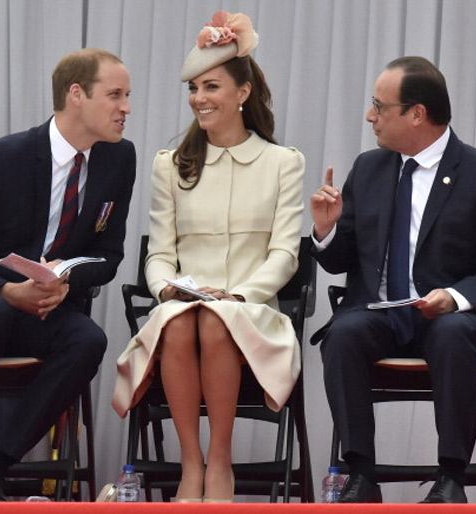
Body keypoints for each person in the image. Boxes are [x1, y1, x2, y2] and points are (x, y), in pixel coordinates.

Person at [310, 56, 476, 504]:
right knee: (344, 333)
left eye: (378, 105)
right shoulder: (369, 168)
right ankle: (360, 475)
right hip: (381, 316)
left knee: (451, 333)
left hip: (453, 321)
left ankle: (451, 478)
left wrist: (455, 296)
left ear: (417, 114)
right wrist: (326, 231)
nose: (370, 115)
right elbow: (339, 260)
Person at [0, 48, 135, 502]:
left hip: (40, 305)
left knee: (87, 340)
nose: (126, 108)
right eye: (115, 95)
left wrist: (66, 278)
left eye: (127, 95)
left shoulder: (119, 159)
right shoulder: (3, 157)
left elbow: (108, 254)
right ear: (76, 95)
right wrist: (6, 289)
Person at [113, 11, 304, 503]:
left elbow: (285, 255)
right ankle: (190, 463)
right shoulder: (170, 166)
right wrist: (166, 288)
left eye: (211, 86)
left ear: (242, 93)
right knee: (179, 321)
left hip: (252, 312)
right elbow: (159, 255)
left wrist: (238, 294)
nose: (198, 98)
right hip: (184, 307)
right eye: (193, 88)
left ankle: (220, 461)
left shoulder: (283, 163)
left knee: (217, 321)